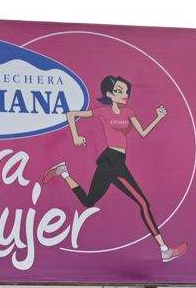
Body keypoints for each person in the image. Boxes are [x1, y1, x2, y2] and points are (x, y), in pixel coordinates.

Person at [42, 75, 188, 264]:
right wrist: (75, 136)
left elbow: (142, 133)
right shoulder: (103, 111)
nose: (124, 94)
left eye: (126, 91)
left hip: (117, 161)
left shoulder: (129, 111)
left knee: (88, 201)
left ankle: (64, 172)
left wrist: (158, 118)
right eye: (119, 91)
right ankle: (164, 250)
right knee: (143, 203)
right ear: (110, 94)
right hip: (111, 161)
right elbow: (71, 115)